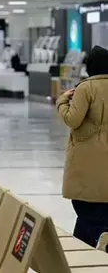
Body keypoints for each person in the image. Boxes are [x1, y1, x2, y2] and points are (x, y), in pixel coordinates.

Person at [56, 45, 108, 249]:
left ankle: (95, 246)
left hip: (88, 159)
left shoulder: (86, 87)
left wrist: (62, 101)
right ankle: (82, 250)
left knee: (86, 209)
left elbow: (73, 119)